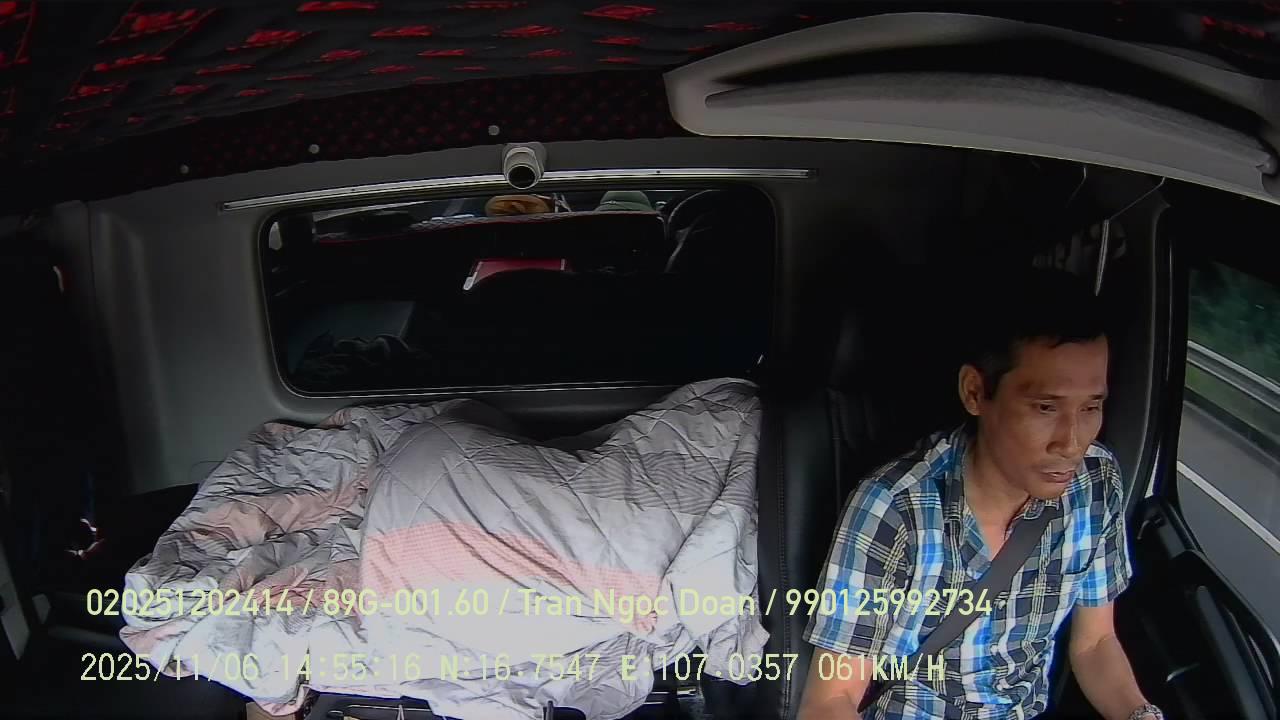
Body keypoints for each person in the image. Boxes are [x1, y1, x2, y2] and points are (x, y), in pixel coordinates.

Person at [798, 268, 1163, 720]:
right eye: (1045, 407)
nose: (1072, 442)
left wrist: (1141, 715)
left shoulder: (1096, 482)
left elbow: (1095, 643)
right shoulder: (894, 510)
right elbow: (830, 699)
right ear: (975, 392)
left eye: (1091, 407)